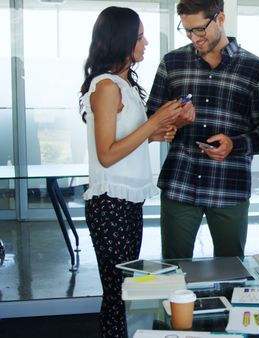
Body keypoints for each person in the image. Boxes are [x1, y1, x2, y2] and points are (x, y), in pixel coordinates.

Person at [80, 6, 184, 338]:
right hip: (110, 203)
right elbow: (107, 154)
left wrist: (158, 131)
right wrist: (153, 124)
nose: (147, 42)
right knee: (119, 294)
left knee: (125, 291)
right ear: (122, 40)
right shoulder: (107, 86)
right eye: (140, 37)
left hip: (126, 202)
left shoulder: (124, 84)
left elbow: (126, 140)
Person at [146, 0, 259, 259]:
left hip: (229, 186)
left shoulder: (255, 69)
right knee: (174, 272)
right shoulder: (172, 62)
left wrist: (235, 145)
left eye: (199, 29)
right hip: (180, 183)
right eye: (187, 30)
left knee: (231, 272)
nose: (193, 37)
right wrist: (175, 123)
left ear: (220, 18)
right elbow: (149, 122)